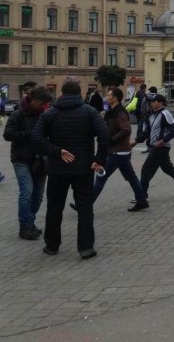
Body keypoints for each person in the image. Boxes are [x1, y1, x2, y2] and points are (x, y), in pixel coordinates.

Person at [32, 80, 111, 260]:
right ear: (79, 93)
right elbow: (105, 136)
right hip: (84, 168)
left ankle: (52, 245)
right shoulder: (90, 112)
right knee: (85, 208)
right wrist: (99, 160)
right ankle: (86, 248)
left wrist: (57, 151)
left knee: (54, 207)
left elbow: (36, 138)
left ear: (61, 92)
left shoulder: (51, 113)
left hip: (57, 168)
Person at [77, 88, 149, 212]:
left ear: (115, 98)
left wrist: (111, 140)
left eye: (109, 95)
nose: (106, 97)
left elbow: (126, 129)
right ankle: (141, 200)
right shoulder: (112, 111)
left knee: (101, 176)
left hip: (117, 151)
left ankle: (85, 205)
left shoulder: (120, 112)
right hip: (121, 151)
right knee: (131, 177)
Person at [4, 86, 53, 240]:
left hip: (40, 160)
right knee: (27, 192)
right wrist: (30, 135)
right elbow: (7, 134)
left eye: (46, 104)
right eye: (41, 103)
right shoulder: (18, 114)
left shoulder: (45, 115)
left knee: (38, 196)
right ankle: (25, 226)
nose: (43, 106)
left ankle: (29, 222)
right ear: (33, 101)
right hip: (21, 159)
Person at [134, 93, 174, 199]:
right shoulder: (151, 115)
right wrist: (136, 141)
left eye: (153, 102)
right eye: (150, 102)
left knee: (146, 170)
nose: (151, 104)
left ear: (160, 103)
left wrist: (163, 140)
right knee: (168, 168)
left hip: (161, 147)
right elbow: (147, 132)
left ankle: (142, 195)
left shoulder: (165, 113)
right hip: (154, 146)